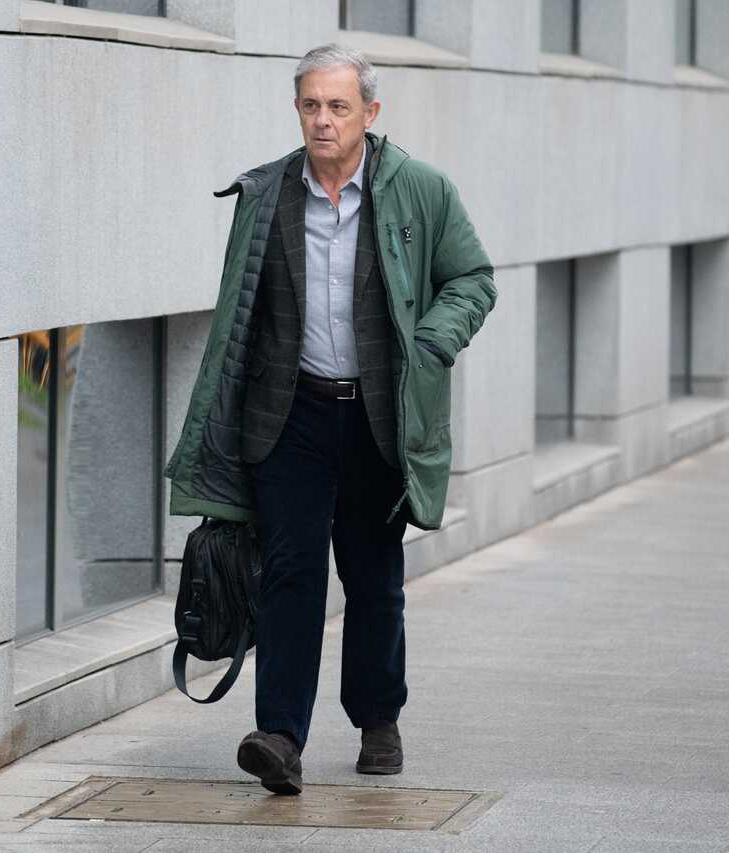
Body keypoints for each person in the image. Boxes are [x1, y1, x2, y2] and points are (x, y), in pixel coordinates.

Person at [164, 44, 495, 795]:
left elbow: (473, 278)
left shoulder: (420, 189)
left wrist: (431, 344)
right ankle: (280, 735)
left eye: (338, 106)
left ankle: (378, 718)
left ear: (369, 113)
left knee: (374, 578)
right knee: (290, 572)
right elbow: (238, 317)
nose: (323, 119)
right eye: (311, 105)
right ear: (297, 109)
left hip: (378, 418)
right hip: (290, 417)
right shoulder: (266, 194)